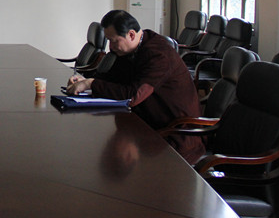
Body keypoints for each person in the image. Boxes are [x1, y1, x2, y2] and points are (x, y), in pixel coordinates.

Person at [66, 10, 204, 164]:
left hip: (175, 137)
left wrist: (91, 84)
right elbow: (113, 78)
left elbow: (133, 96)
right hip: (147, 125)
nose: (110, 47)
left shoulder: (158, 55)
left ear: (131, 35)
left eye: (113, 41)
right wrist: (84, 81)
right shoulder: (132, 48)